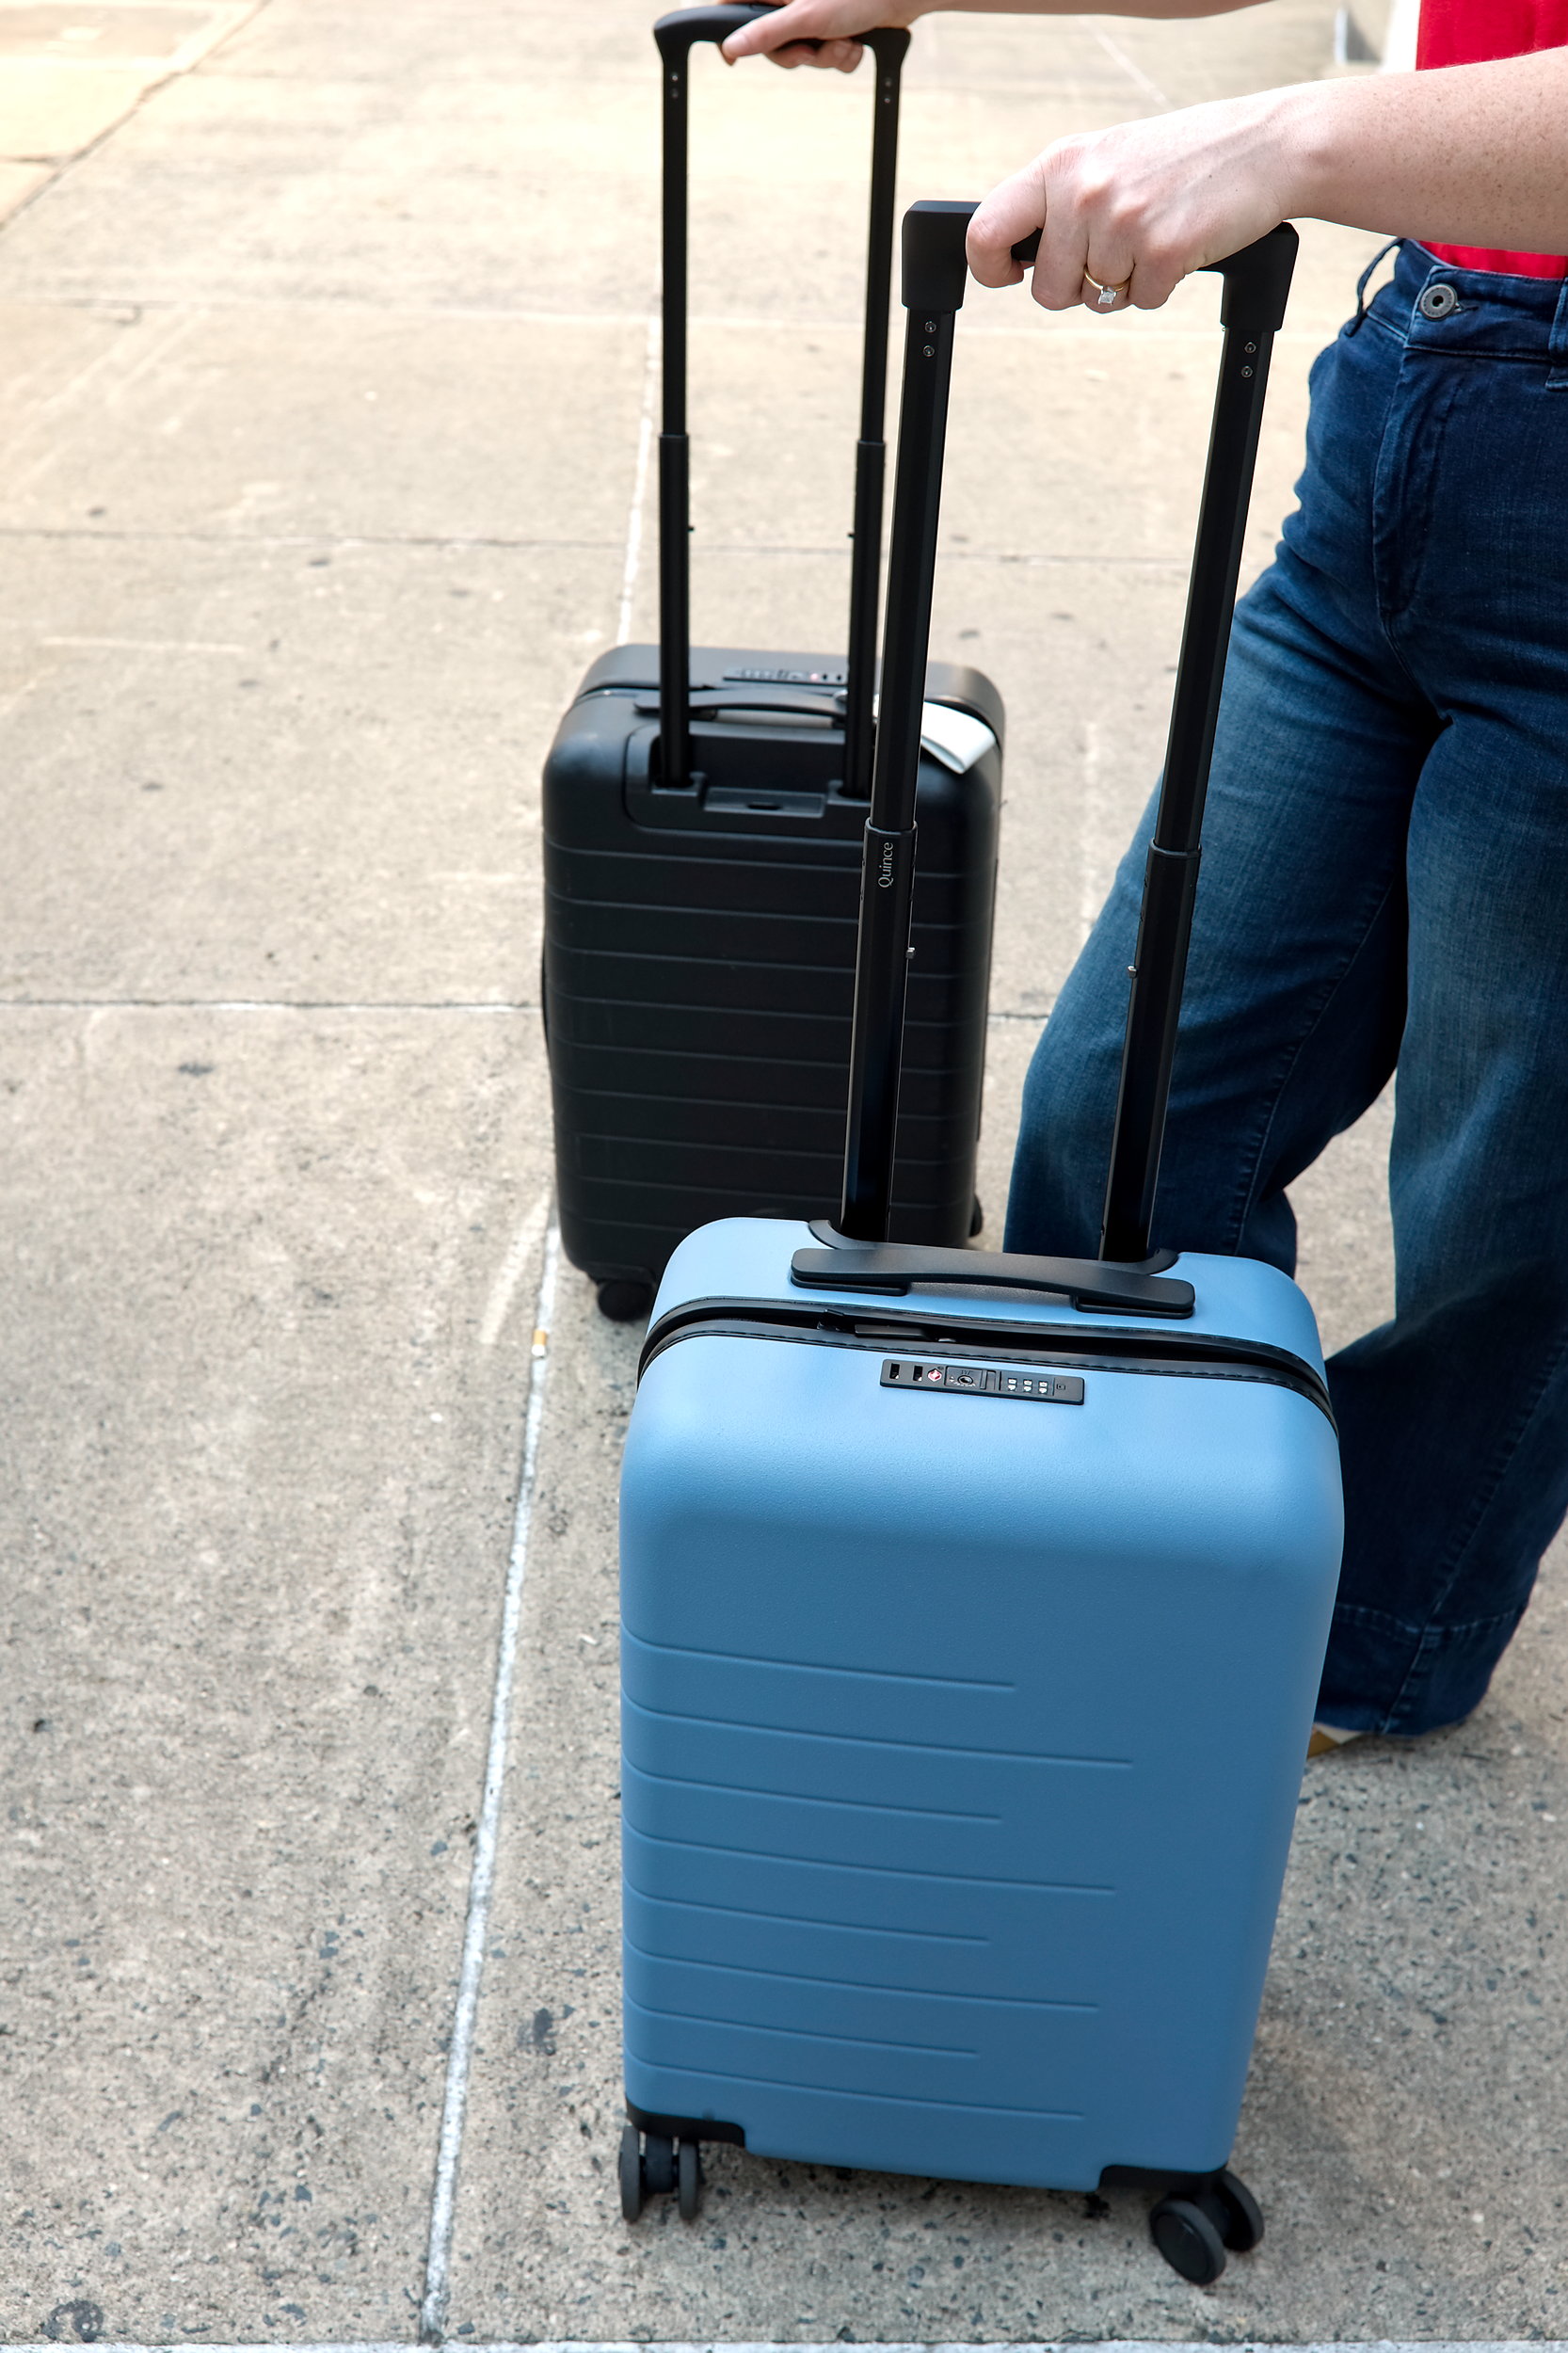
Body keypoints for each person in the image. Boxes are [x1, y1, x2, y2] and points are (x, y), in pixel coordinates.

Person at [721, 0, 1568, 1749]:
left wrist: (1292, 139)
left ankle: (1368, 1638)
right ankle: (1129, 1554)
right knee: (1120, 1109)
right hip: (1414, 385)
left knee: (1505, 1200)